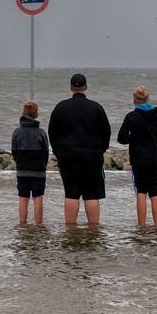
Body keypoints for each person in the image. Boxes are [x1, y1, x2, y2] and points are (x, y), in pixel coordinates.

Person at [47, 73, 111, 226]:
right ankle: (93, 229)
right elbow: (106, 132)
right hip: (92, 156)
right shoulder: (96, 107)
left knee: (71, 193)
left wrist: (58, 152)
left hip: (68, 156)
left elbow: (52, 132)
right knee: (92, 194)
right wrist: (100, 150)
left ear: (71, 88)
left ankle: (70, 229)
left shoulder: (60, 107)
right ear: (86, 87)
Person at [116, 85, 157, 227]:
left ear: (134, 99)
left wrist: (134, 138)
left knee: (141, 191)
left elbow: (121, 138)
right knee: (155, 192)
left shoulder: (131, 116)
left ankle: (142, 226)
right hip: (154, 157)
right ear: (148, 98)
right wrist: (154, 138)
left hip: (138, 158)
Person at [11, 100, 49, 224]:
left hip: (22, 168)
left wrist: (19, 162)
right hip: (38, 169)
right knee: (38, 197)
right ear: (36, 114)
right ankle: (39, 224)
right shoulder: (41, 132)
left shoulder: (17, 132)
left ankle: (23, 224)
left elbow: (14, 151)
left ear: (23, 113)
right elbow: (46, 152)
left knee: (23, 197)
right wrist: (43, 165)